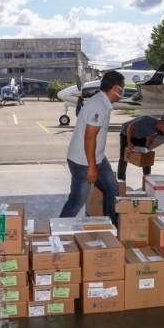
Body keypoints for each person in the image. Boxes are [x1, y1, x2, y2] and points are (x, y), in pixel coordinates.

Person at [59, 70, 125, 225]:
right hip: (83, 161)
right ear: (115, 88)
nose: (123, 91)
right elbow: (89, 137)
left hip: (97, 158)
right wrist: (92, 167)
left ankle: (111, 225)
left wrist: (96, 163)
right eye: (122, 86)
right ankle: (58, 230)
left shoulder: (103, 103)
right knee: (77, 201)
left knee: (111, 188)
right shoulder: (98, 105)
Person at [117, 115, 164, 180]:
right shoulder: (147, 120)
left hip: (140, 136)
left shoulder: (159, 131)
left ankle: (148, 179)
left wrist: (148, 146)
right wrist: (129, 143)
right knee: (124, 158)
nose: (163, 133)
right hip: (127, 132)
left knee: (145, 156)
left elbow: (151, 139)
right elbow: (131, 127)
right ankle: (121, 181)